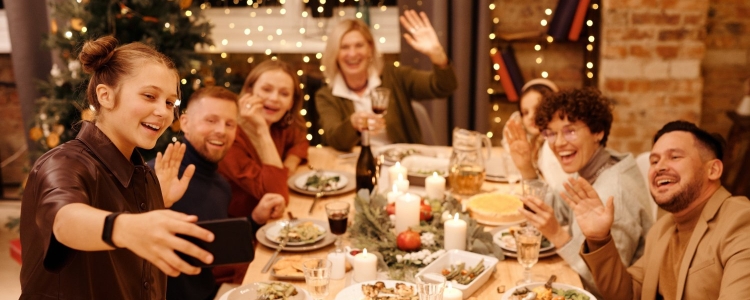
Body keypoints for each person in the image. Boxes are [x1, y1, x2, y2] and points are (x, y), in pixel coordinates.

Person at [19, 36, 213, 299]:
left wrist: (159, 202)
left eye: (170, 103)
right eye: (149, 96)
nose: (163, 112)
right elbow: (64, 222)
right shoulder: (63, 163)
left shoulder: (142, 173)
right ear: (106, 96)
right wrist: (124, 228)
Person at [566, 120, 750, 299]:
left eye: (675, 157)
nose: (659, 167)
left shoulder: (741, 221)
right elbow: (629, 294)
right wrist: (599, 239)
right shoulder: (661, 230)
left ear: (713, 170)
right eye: (654, 161)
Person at [148, 87, 286, 300]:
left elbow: (214, 241)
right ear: (185, 123)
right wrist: (159, 204)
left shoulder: (221, 184)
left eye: (230, 124)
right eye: (210, 121)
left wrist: (255, 219)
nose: (221, 130)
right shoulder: (155, 176)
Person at [518, 88, 653, 297]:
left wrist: (558, 235)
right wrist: (527, 168)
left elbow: (606, 288)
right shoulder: (596, 166)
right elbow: (559, 208)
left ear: (598, 131)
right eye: (551, 133)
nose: (559, 143)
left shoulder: (613, 193)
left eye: (570, 131)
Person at [315, 10, 458, 151]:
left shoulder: (395, 76)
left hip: (402, 163)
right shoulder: (326, 96)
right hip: (357, 165)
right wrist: (353, 124)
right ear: (335, 53)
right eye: (344, 47)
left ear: (370, 48)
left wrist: (437, 54)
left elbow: (444, 87)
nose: (352, 54)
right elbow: (334, 140)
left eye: (359, 45)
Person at [218, 60, 306, 218]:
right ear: (249, 91)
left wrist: (290, 163)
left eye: (284, 94)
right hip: (243, 228)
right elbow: (277, 196)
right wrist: (262, 130)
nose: (274, 98)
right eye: (266, 89)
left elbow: (300, 141)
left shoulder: (278, 124)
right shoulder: (229, 136)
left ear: (291, 103)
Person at [502, 78, 568, 189]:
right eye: (525, 112)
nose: (531, 116)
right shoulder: (530, 142)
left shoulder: (554, 146)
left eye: (538, 109)